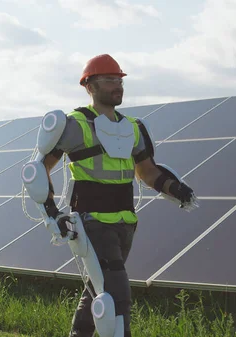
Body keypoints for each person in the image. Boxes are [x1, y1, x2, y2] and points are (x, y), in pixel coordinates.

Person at [21, 54, 199, 337]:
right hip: (91, 222)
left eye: (119, 80)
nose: (117, 85)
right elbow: (39, 170)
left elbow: (147, 172)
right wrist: (53, 213)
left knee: (98, 290)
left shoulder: (133, 127)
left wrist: (176, 189)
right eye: (109, 80)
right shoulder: (74, 125)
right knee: (116, 294)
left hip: (125, 222)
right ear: (90, 86)